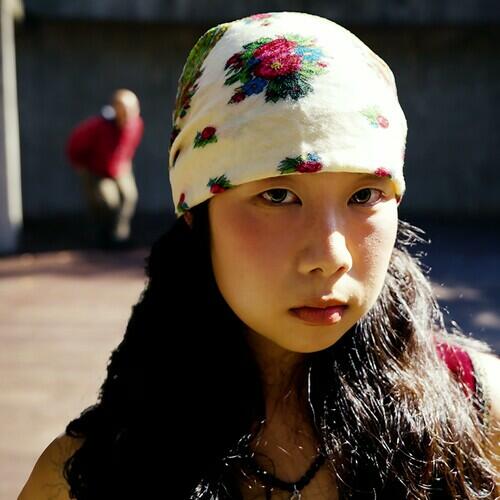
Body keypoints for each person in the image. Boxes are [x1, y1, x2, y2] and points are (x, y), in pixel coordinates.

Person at [19, 12, 499, 500]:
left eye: (364, 195)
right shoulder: (83, 477)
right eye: (277, 196)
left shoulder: (478, 413)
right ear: (196, 214)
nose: (330, 256)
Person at [65, 89, 144, 249]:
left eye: (132, 109)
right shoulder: (98, 126)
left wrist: (124, 161)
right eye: (124, 110)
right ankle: (103, 237)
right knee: (109, 202)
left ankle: (120, 237)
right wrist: (83, 166)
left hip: (120, 166)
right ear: (115, 109)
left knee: (129, 196)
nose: (128, 114)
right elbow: (75, 144)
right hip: (97, 169)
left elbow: (129, 144)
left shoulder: (136, 124)